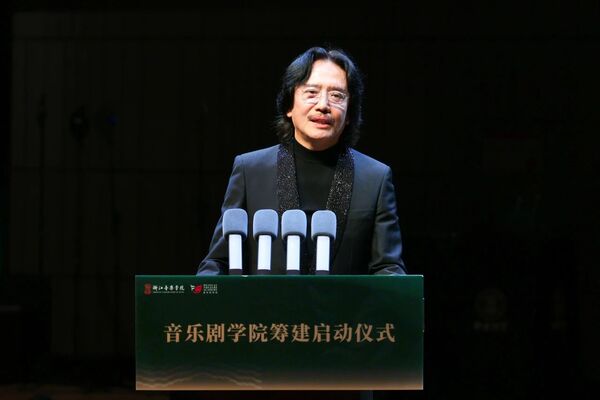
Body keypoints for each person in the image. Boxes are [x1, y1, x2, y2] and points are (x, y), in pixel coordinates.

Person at [197, 46, 406, 277]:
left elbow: (388, 268)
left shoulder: (375, 178)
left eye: (337, 96)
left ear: (349, 114)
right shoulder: (250, 170)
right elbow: (218, 262)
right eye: (311, 92)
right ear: (289, 105)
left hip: (344, 302)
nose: (323, 105)